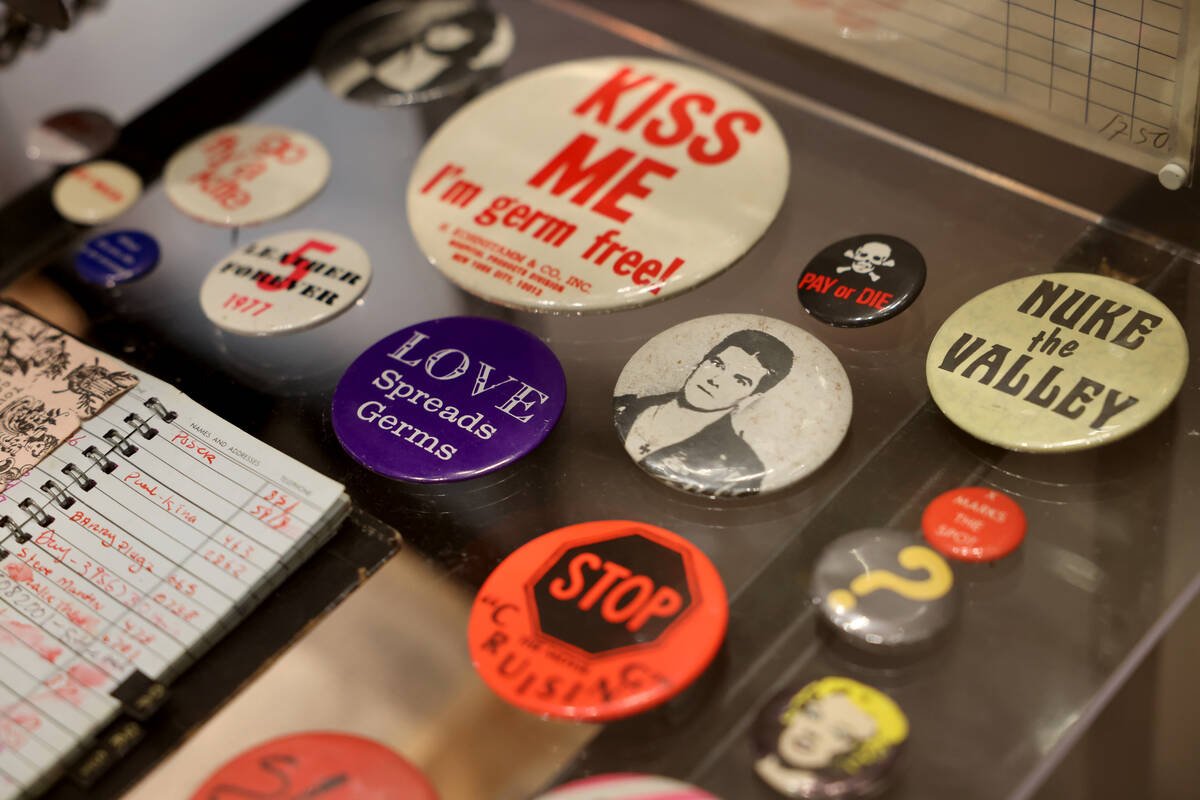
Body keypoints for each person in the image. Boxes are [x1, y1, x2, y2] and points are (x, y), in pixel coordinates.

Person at [614, 329, 793, 496]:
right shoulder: (625, 404)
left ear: (752, 396)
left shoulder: (736, 469)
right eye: (717, 364)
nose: (714, 380)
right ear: (700, 362)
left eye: (739, 380)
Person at [754, 677, 908, 798]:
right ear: (794, 712)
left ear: (859, 751)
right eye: (813, 714)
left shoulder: (836, 788)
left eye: (840, 733)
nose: (814, 731)